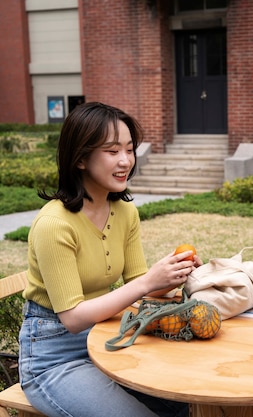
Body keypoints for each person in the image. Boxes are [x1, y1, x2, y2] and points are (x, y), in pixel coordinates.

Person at [19, 102, 200, 417]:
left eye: (129, 150)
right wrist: (147, 282)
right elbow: (73, 319)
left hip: (108, 339)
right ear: (80, 158)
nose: (126, 161)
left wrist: (170, 273)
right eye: (112, 151)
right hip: (55, 357)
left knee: (186, 400)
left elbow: (139, 287)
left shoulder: (125, 211)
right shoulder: (54, 225)